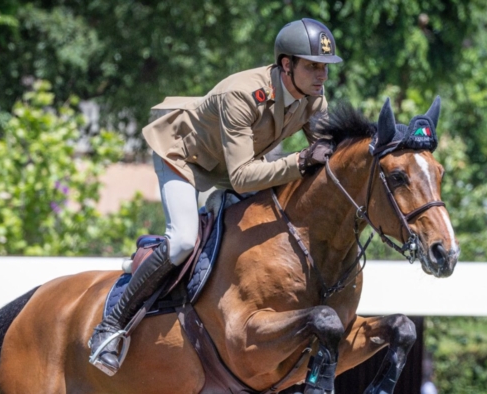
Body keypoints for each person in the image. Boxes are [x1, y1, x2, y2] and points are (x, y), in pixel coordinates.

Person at [88, 18, 343, 376]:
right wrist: (300, 159)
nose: (322, 76)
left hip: (231, 167)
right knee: (180, 242)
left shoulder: (313, 101)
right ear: (287, 65)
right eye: (313, 66)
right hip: (183, 156)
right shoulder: (243, 94)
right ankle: (111, 326)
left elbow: (325, 158)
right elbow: (242, 177)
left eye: (326, 68)